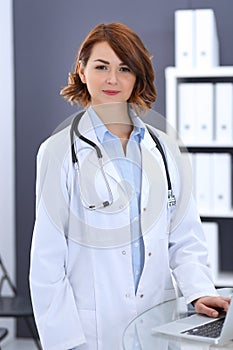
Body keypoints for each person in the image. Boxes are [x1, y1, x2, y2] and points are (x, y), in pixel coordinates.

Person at [29, 22, 230, 350]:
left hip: (158, 324)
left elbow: (185, 239)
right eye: (101, 66)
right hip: (90, 332)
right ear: (81, 70)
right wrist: (65, 342)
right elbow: (47, 260)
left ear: (138, 75)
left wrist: (199, 290)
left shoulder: (165, 149)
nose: (112, 79)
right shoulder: (58, 151)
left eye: (124, 68)